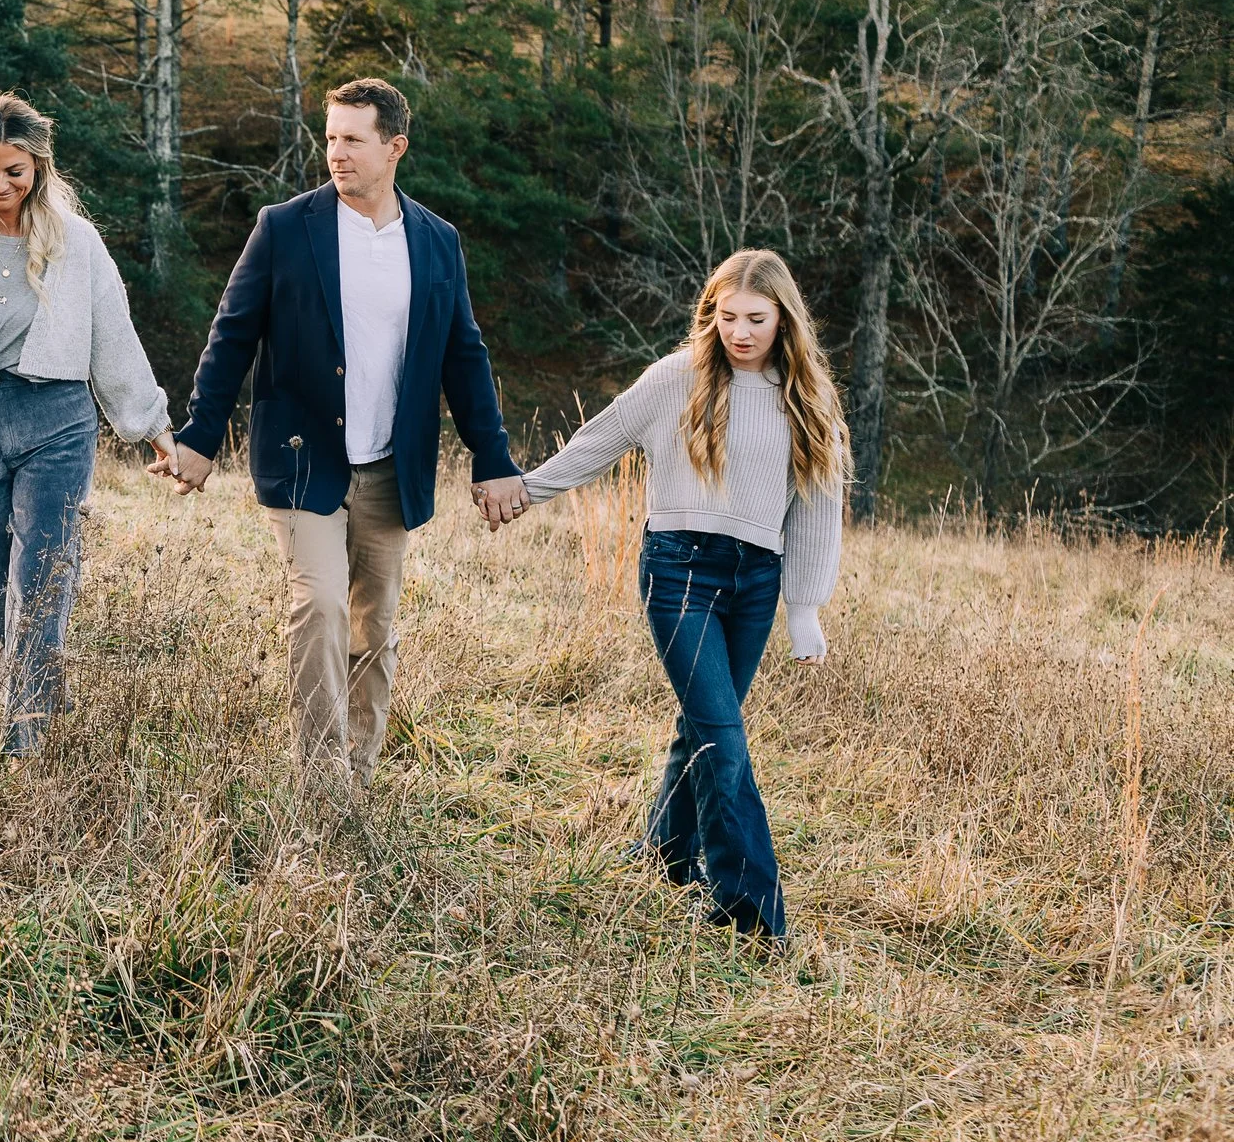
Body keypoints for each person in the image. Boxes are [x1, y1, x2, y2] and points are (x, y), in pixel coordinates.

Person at [156, 78, 526, 790]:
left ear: (395, 147)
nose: (336, 153)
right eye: (329, 137)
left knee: (373, 625)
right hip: (301, 458)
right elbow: (232, 335)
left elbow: (464, 355)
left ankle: (357, 770)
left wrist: (494, 456)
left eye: (353, 139)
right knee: (319, 602)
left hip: (392, 464)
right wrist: (201, 435)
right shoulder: (285, 227)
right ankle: (321, 781)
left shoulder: (437, 242)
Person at [500, 248, 844, 947]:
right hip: (678, 573)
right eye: (727, 316)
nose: (740, 332)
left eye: (756, 318)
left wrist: (804, 608)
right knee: (723, 735)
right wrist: (523, 489)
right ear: (709, 314)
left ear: (784, 319)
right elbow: (599, 440)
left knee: (704, 723)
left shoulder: (805, 399)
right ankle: (749, 909)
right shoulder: (674, 381)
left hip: (756, 581)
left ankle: (664, 850)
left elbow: (817, 507)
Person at [0, 94, 174, 756]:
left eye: (14, 172)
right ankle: (31, 697)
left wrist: (154, 426)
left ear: (39, 168)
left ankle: (28, 740)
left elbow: (113, 335)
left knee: (42, 575)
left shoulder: (78, 242)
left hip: (58, 417)